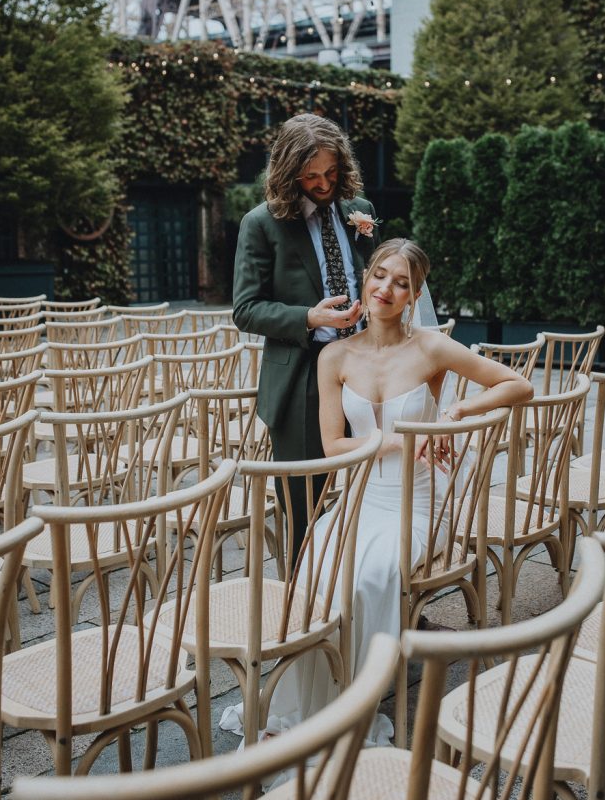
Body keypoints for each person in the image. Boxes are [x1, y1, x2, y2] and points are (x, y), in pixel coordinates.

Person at [222, 237, 533, 744]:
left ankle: (355, 698)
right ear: (365, 280)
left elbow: (517, 385)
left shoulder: (430, 346)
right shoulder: (335, 356)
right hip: (364, 498)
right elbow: (332, 445)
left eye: (402, 283)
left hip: (418, 503)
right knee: (315, 567)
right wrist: (395, 441)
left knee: (368, 574)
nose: (387, 289)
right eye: (381, 276)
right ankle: (311, 700)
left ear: (415, 295)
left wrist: (455, 413)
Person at [232, 113, 381, 560]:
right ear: (289, 171)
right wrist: (310, 318)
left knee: (376, 489)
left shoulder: (361, 211)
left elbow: (371, 277)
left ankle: (367, 596)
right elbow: (245, 309)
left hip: (367, 371)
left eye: (332, 172)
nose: (323, 182)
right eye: (312, 175)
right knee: (303, 504)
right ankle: (299, 606)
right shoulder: (261, 223)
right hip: (302, 380)